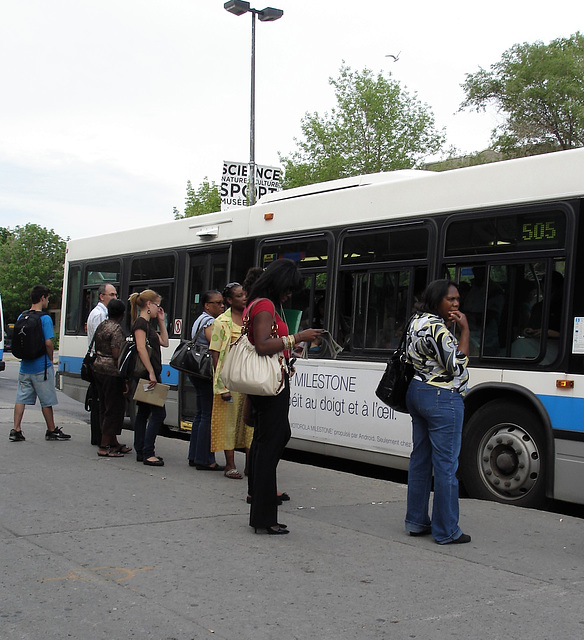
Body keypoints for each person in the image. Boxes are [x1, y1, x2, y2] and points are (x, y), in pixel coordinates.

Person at [245, 259, 322, 535]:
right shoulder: (265, 305)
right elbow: (264, 344)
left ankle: (260, 508)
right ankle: (265, 517)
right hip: (271, 383)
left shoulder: (256, 303)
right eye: (288, 289)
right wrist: (298, 336)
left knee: (269, 439)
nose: (289, 295)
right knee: (270, 443)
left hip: (265, 382)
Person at [404, 279, 471, 545]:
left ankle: (416, 520)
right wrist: (465, 331)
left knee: (420, 460)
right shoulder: (439, 329)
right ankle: (447, 530)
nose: (456, 304)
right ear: (436, 301)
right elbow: (459, 366)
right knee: (446, 466)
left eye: (457, 299)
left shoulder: (416, 321)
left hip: (417, 391)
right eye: (450, 299)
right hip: (442, 398)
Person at [10, 285, 71, 442]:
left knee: (20, 398)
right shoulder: (44, 318)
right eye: (48, 298)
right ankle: (51, 430)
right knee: (46, 400)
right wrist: (50, 359)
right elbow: (48, 343)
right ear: (42, 297)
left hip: (25, 366)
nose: (48, 300)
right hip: (41, 366)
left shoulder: (21, 317)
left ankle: (16, 429)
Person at [209, 282, 254, 479]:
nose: (244, 298)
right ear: (229, 300)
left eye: (245, 295)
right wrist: (222, 385)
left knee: (250, 424)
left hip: (250, 379)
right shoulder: (221, 321)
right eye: (239, 296)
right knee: (229, 423)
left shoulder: (252, 318)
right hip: (230, 379)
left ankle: (250, 466)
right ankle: (230, 465)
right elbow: (215, 354)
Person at [129, 289, 169, 466]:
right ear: (148, 304)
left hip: (150, 374)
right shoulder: (140, 324)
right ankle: (148, 452)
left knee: (144, 413)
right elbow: (140, 348)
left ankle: (141, 449)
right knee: (159, 413)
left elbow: (165, 342)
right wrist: (151, 371)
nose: (158, 309)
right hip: (148, 376)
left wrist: (161, 321)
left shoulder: (148, 324)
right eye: (157, 305)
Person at [187, 290, 226, 471]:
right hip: (205, 371)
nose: (222, 306)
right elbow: (215, 344)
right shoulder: (210, 322)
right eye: (217, 303)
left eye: (222, 302)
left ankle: (195, 455)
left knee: (200, 413)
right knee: (207, 415)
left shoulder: (199, 319)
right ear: (207, 305)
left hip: (195, 370)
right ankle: (205, 458)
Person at [92, 299, 131, 457]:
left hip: (97, 368)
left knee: (104, 406)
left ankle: (113, 441)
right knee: (113, 408)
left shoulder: (102, 325)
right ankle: (104, 445)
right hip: (111, 372)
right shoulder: (116, 330)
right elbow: (117, 354)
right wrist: (125, 377)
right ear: (123, 314)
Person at [86, 283, 118, 446]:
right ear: (102, 296)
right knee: (103, 403)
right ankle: (101, 438)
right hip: (101, 362)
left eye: (115, 295)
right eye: (111, 295)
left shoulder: (98, 312)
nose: (114, 298)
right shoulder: (100, 314)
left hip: (97, 360)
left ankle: (101, 437)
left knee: (101, 401)